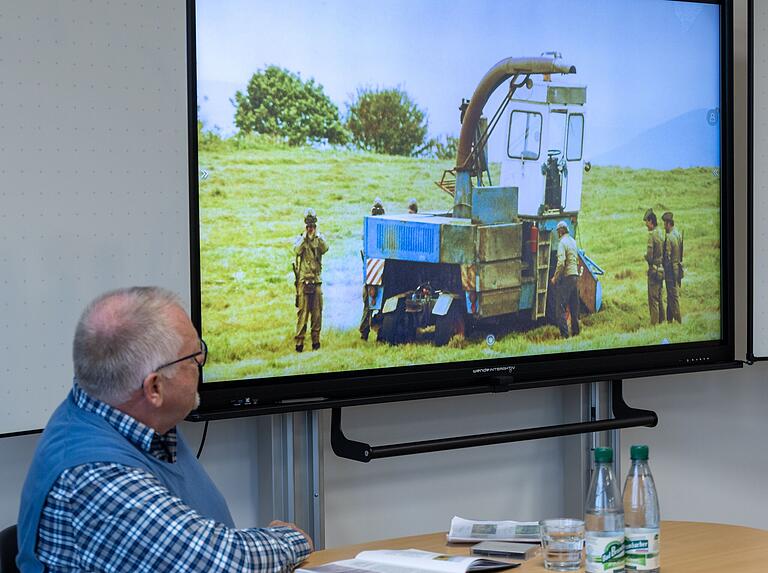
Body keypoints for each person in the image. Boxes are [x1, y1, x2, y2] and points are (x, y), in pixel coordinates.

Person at [17, 287, 313, 572]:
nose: (200, 363)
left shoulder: (129, 414)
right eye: (194, 357)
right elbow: (221, 565)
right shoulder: (98, 476)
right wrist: (292, 539)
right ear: (154, 387)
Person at [294, 208, 329, 352]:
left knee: (317, 313)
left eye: (312, 226)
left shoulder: (319, 239)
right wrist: (304, 237)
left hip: (316, 281)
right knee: (303, 313)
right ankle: (299, 343)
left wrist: (317, 236)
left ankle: (316, 341)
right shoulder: (300, 239)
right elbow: (296, 250)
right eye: (308, 226)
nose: (310, 229)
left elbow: (326, 248)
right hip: (303, 281)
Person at [550, 220, 580, 338]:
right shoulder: (573, 241)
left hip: (567, 277)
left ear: (561, 231)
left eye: (558, 231)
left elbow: (561, 263)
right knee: (574, 307)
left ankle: (565, 336)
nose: (557, 234)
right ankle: (576, 333)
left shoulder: (562, 243)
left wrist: (555, 278)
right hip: (575, 276)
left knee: (560, 308)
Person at [360, 200, 385, 341]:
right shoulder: (381, 232)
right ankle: (373, 332)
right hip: (377, 275)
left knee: (368, 306)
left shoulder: (367, 232)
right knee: (372, 305)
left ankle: (365, 333)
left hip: (371, 275)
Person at [644, 209, 665, 325]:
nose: (646, 225)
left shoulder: (652, 236)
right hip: (661, 269)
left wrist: (646, 257)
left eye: (647, 222)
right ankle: (662, 321)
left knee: (653, 298)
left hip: (654, 270)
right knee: (660, 296)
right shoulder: (661, 233)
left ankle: (654, 324)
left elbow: (650, 256)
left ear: (651, 221)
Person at [662, 211, 683, 323]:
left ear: (669, 224)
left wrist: (663, 268)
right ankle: (669, 320)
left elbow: (667, 257)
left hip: (670, 271)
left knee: (673, 297)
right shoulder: (678, 234)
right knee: (671, 295)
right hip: (678, 269)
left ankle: (679, 321)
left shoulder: (669, 237)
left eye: (665, 224)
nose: (664, 226)